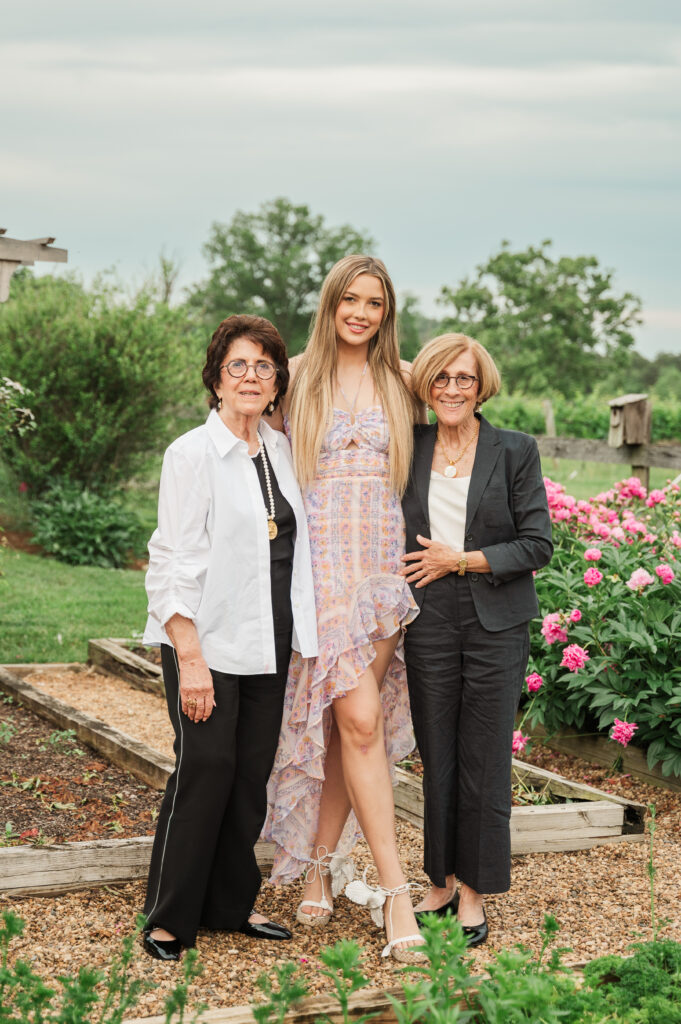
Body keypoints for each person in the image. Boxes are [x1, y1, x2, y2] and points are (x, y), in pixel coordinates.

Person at [264, 255, 426, 963]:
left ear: (386, 313)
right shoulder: (295, 376)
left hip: (382, 574)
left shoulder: (404, 380)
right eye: (350, 300)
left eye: (375, 303)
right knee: (356, 719)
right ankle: (396, 897)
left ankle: (323, 866)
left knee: (345, 726)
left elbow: (454, 435)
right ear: (330, 304)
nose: (361, 312)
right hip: (320, 572)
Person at [141, 315, 318, 961]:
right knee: (206, 769)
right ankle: (168, 916)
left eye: (264, 366)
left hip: (270, 640)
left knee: (249, 779)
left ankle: (227, 907)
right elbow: (171, 560)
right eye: (237, 365)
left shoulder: (277, 447)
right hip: (206, 641)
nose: (250, 377)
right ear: (215, 378)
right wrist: (189, 657)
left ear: (277, 382)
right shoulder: (191, 453)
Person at [399, 332, 553, 947]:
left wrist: (462, 560)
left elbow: (537, 543)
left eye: (464, 378)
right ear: (426, 386)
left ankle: (472, 892)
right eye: (441, 378)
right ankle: (438, 880)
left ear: (481, 383)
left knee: (484, 758)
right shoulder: (408, 447)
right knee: (437, 752)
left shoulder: (515, 450)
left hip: (495, 621)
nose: (453, 389)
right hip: (428, 617)